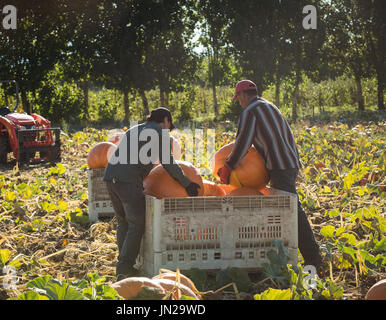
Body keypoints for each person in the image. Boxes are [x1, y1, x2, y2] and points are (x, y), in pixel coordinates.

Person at [218, 80, 322, 269]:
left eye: (238, 98)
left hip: (279, 166)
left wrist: (228, 167)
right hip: (288, 163)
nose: (239, 102)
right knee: (286, 209)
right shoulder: (269, 106)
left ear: (242, 95)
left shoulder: (250, 111)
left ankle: (313, 259)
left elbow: (242, 143)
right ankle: (290, 254)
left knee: (292, 211)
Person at [104, 107, 201, 279]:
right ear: (165, 120)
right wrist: (187, 183)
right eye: (169, 125)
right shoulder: (160, 133)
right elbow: (168, 162)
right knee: (136, 224)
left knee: (123, 223)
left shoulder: (135, 129)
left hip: (111, 178)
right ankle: (124, 269)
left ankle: (123, 265)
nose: (168, 130)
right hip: (127, 181)